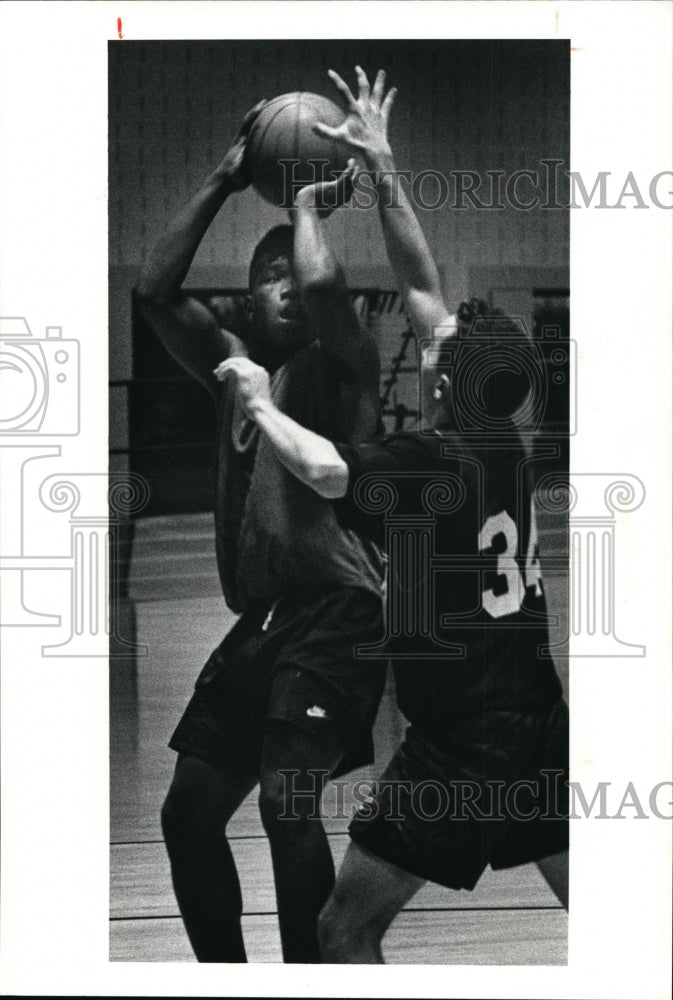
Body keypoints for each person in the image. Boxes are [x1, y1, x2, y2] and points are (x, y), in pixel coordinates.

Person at [214, 67, 570, 964]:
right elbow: (423, 292)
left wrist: (258, 403)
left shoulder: (428, 462)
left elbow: (328, 470)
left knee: (343, 930)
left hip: (458, 745)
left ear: (445, 381)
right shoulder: (501, 447)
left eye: (434, 348)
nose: (422, 338)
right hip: (535, 723)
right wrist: (384, 170)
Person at [135, 102, 387, 963]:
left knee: (287, 804)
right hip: (271, 622)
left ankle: (309, 980)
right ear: (248, 293)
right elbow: (151, 293)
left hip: (344, 611)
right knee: (189, 812)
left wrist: (305, 205)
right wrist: (224, 173)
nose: (288, 279)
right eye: (267, 270)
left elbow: (324, 289)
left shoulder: (343, 363)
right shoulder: (233, 373)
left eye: (296, 268)